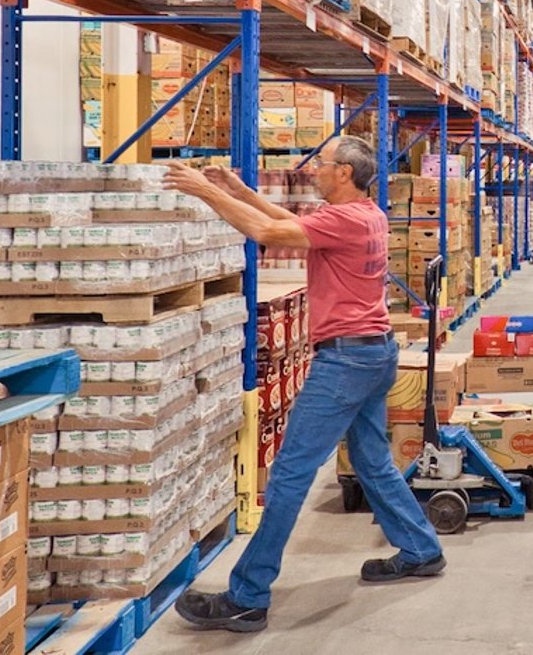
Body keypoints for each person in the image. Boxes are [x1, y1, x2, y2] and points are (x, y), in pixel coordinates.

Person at [163, 137, 444, 634]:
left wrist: (202, 193)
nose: (314, 168)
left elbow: (268, 230)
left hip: (345, 363)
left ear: (344, 173)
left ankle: (248, 595)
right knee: (372, 460)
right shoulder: (367, 213)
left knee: (291, 474)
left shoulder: (345, 220)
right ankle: (421, 549)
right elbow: (284, 221)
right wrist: (238, 188)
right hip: (375, 352)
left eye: (323, 163)